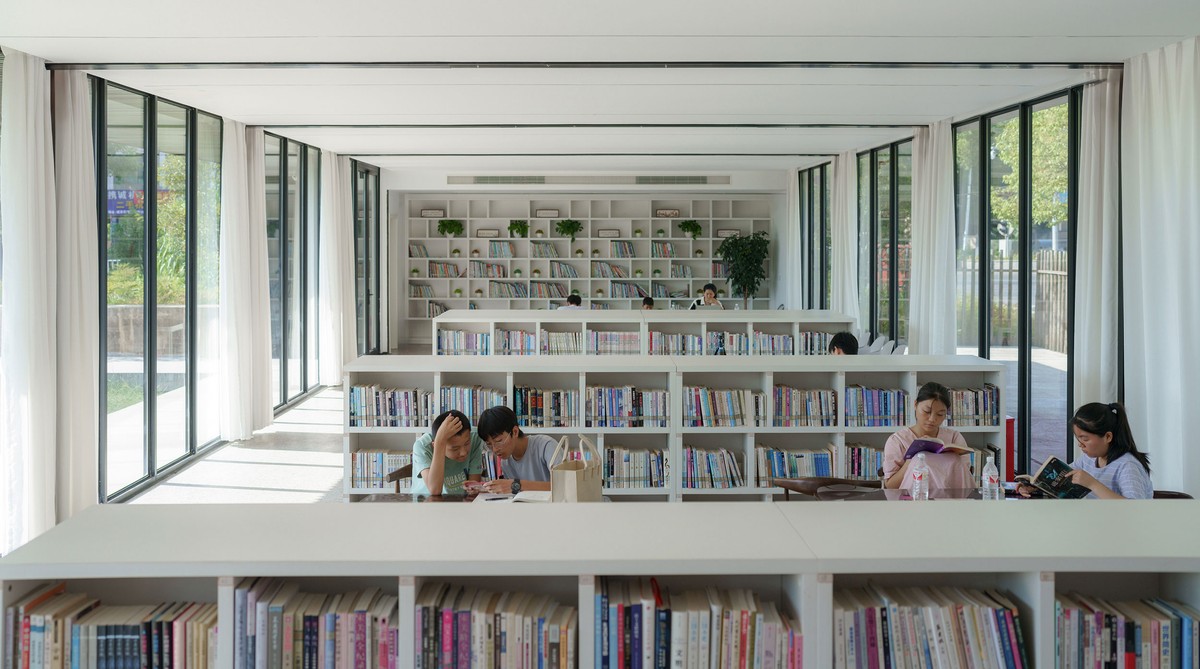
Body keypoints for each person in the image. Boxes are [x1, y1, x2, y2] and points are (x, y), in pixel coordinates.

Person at [1021, 402, 1152, 499]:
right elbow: (1063, 479)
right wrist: (1035, 487)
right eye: (1078, 439)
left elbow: (1135, 508)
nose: (1080, 444)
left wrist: (1093, 484)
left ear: (1108, 437)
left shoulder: (1127, 466)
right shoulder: (1088, 459)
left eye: (1085, 439)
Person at [882, 381, 973, 491]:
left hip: (951, 499)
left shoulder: (954, 437)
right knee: (919, 459)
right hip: (911, 499)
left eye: (940, 414)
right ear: (915, 405)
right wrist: (911, 460)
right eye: (927, 411)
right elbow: (890, 485)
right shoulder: (898, 441)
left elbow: (964, 478)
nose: (932, 419)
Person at [476, 406, 559, 494]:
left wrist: (517, 485)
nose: (495, 449)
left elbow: (564, 486)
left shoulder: (546, 446)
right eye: (489, 444)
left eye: (499, 441)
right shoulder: (506, 462)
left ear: (515, 432)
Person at [410, 410, 484, 496]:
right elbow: (435, 490)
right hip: (427, 500)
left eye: (467, 443)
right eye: (455, 448)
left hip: (460, 501)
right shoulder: (422, 446)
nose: (463, 453)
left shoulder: (474, 437)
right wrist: (439, 442)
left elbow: (473, 487)